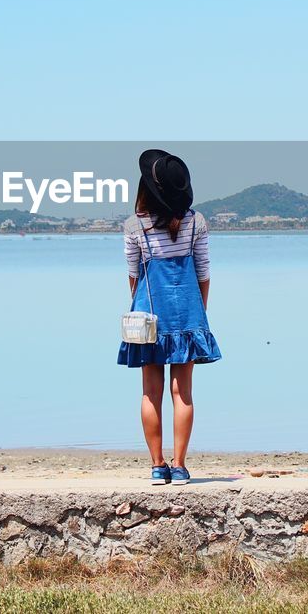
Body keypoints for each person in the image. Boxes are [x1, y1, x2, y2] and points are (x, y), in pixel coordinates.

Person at [119, 149, 222, 485]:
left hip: (149, 314)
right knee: (183, 393)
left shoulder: (135, 226)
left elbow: (133, 277)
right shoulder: (196, 222)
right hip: (188, 312)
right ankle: (179, 466)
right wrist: (199, 312)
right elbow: (203, 273)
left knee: (151, 392)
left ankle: (156, 465)